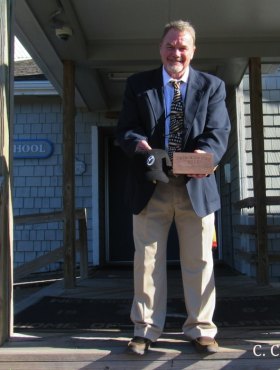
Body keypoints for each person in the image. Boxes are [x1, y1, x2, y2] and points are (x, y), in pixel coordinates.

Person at [116, 19, 231, 355]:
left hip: (195, 187)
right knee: (147, 261)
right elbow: (125, 129)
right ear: (160, 48)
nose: (176, 53)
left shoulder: (212, 86)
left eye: (183, 47)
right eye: (170, 46)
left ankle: (200, 329)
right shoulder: (138, 85)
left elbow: (219, 132)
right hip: (151, 186)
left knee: (199, 260)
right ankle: (145, 330)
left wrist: (204, 153)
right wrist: (138, 144)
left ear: (193, 51)